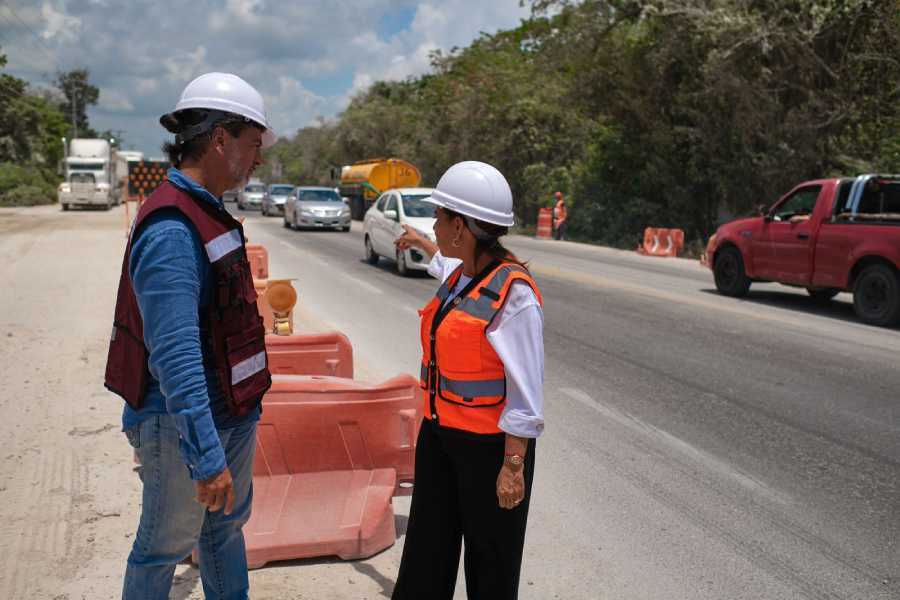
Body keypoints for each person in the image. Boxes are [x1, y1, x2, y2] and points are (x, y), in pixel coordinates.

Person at [104, 72, 276, 600]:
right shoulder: (174, 228)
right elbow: (176, 357)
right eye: (253, 145)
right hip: (182, 425)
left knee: (223, 533)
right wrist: (205, 457)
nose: (258, 160)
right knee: (163, 548)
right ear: (221, 138)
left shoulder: (206, 211)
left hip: (230, 414)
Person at [391, 161, 545, 600]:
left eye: (438, 218)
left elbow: (526, 394)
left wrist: (512, 468)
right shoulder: (464, 273)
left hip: (490, 451)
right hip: (440, 438)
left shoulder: (514, 294)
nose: (433, 224)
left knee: (491, 563)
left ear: (460, 226)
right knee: (426, 554)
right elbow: (446, 272)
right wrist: (421, 243)